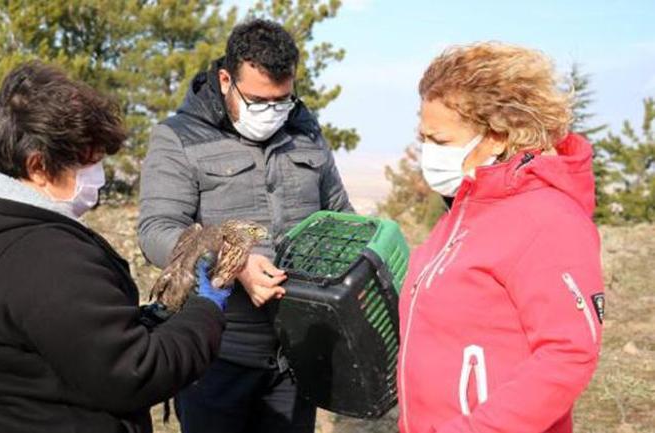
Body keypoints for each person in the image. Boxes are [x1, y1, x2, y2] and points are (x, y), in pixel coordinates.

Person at [0, 61, 230, 433]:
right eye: (88, 163)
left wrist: (149, 319)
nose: (99, 176)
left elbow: (60, 337)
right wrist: (206, 309)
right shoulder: (43, 256)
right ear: (38, 166)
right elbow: (136, 372)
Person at [137, 19, 353, 433]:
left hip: (295, 356)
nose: (271, 113)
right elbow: (157, 232)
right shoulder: (179, 138)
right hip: (216, 354)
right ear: (225, 80)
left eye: (282, 101)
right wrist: (234, 263)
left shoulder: (305, 133)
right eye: (258, 101)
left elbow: (341, 215)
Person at [396, 42, 604, 433]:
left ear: (496, 136)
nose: (427, 153)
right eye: (423, 137)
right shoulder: (465, 208)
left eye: (440, 141)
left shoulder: (547, 220)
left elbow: (568, 354)